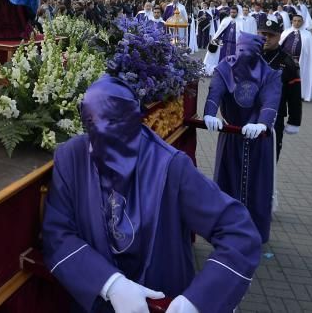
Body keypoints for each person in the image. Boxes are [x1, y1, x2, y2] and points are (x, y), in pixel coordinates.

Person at [42, 75, 261, 312]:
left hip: (161, 301)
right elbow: (57, 233)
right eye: (90, 125)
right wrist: (110, 283)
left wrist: (197, 300)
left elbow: (239, 232)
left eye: (114, 125)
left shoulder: (170, 167)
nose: (99, 145)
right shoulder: (72, 157)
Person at [203, 32, 281, 244]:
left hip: (259, 138)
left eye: (248, 52)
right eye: (240, 50)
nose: (242, 56)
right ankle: (224, 230)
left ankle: (254, 233)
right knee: (227, 182)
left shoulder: (270, 74)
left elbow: (271, 101)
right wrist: (209, 113)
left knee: (257, 187)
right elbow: (215, 92)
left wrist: (262, 123)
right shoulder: (224, 68)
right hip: (231, 135)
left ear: (257, 53)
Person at [257, 17, 302, 162]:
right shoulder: (250, 55)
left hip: (275, 118)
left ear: (279, 36)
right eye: (263, 34)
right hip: (249, 114)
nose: (267, 38)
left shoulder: (287, 62)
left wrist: (294, 121)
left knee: (269, 159)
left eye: (271, 35)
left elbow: (295, 96)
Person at [279, 14, 312, 102]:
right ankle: (284, 94)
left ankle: (299, 94)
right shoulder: (286, 32)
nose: (297, 23)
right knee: (285, 78)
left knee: (297, 79)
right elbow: (280, 45)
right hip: (286, 60)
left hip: (300, 60)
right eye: (295, 21)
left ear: (302, 22)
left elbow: (310, 52)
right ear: (292, 21)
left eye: (299, 21)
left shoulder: (308, 35)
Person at [203, 7, 240, 76]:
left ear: (237, 13)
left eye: (234, 12)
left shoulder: (240, 22)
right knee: (221, 57)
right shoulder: (226, 20)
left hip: (234, 44)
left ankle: (231, 73)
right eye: (231, 12)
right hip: (224, 43)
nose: (232, 14)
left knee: (233, 59)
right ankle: (221, 72)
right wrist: (213, 42)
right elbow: (219, 32)